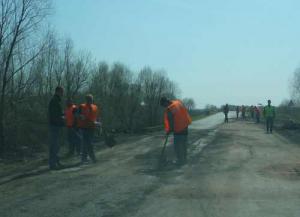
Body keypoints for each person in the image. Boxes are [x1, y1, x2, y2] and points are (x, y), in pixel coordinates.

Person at [160, 97, 192, 166]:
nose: (164, 107)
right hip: (185, 126)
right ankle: (184, 160)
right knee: (183, 144)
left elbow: (171, 122)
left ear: (165, 102)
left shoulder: (169, 109)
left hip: (178, 129)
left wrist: (169, 130)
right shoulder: (178, 102)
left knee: (177, 146)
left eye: (164, 105)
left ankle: (180, 161)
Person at [78, 94, 99, 163]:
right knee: (88, 143)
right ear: (86, 100)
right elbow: (78, 115)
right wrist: (81, 117)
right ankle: (93, 158)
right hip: (84, 128)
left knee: (86, 144)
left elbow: (96, 117)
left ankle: (84, 158)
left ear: (92, 99)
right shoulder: (82, 106)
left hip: (92, 127)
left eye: (91, 99)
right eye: (88, 99)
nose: (89, 100)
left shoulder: (95, 107)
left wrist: (98, 123)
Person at [48, 86, 65, 170]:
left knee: (56, 145)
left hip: (55, 125)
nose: (63, 93)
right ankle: (53, 164)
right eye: (62, 92)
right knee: (54, 145)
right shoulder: (55, 101)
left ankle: (56, 162)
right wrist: (62, 119)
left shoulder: (56, 100)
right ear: (58, 91)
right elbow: (55, 115)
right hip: (55, 126)